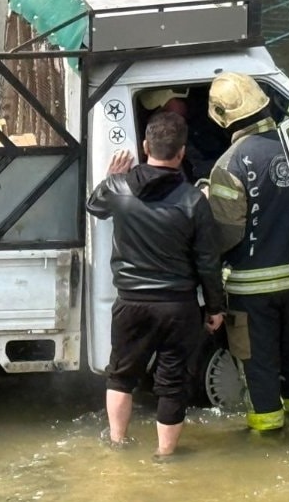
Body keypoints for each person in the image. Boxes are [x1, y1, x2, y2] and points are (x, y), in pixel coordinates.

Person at [87, 111, 225, 457]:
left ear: (146, 146)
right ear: (181, 153)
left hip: (131, 302)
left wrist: (110, 177)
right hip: (178, 306)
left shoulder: (118, 188)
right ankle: (165, 457)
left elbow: (94, 206)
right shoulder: (194, 200)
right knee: (172, 384)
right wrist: (215, 308)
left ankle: (117, 444)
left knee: (120, 376)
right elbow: (208, 262)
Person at [205, 72, 289, 431]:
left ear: (221, 115)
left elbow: (226, 233)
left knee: (260, 369)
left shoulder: (228, 165)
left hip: (250, 293)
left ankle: (267, 443)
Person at [139, 87, 228, 182]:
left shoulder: (207, 123)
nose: (166, 118)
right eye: (162, 111)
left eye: (166, 108)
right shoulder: (163, 140)